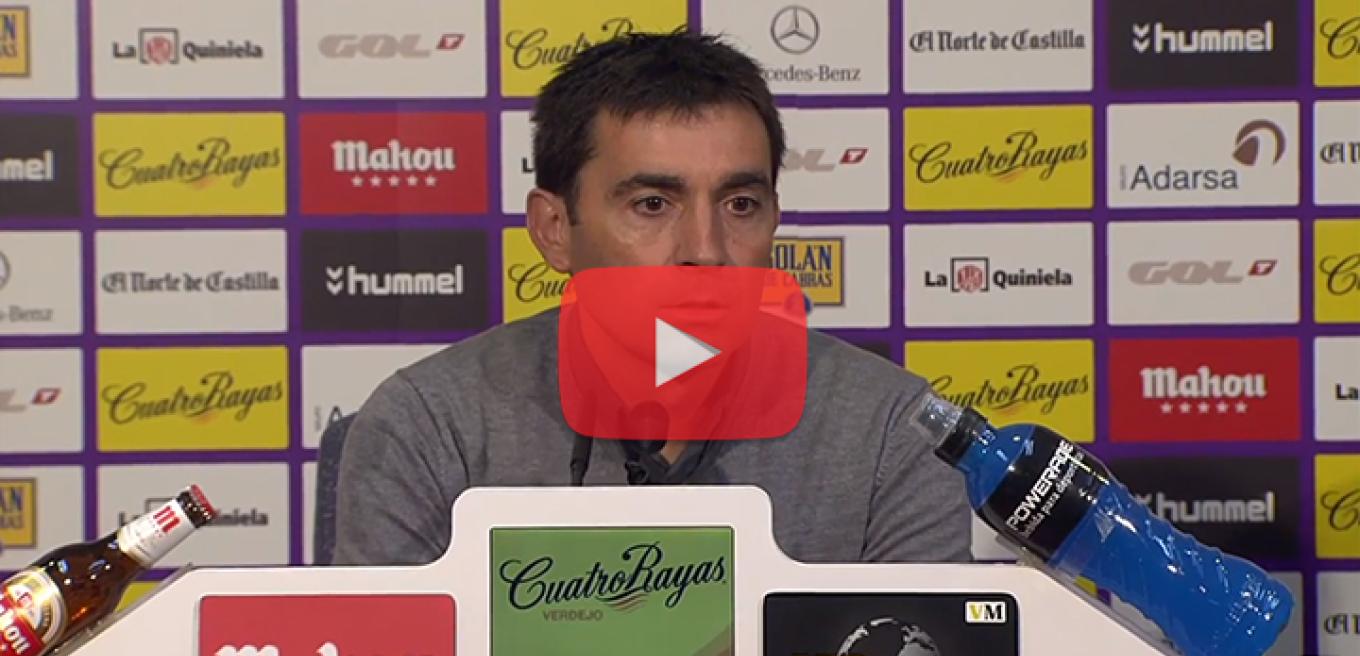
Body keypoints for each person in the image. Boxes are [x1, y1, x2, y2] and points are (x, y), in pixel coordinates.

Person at [330, 32, 972, 565]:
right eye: (653, 204)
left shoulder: (892, 430)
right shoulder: (430, 424)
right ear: (554, 229)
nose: (706, 250)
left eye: (740, 204)